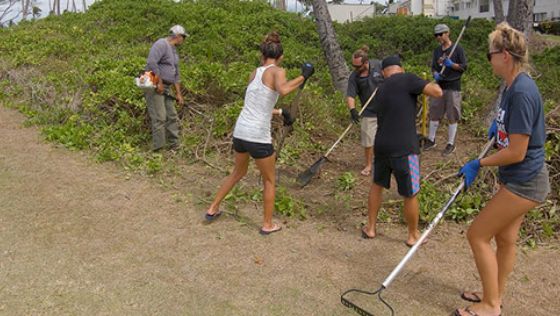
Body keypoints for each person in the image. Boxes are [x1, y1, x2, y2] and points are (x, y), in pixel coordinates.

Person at [454, 23, 550, 316]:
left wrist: (479, 163)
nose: (489, 59)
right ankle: (494, 293)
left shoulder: (521, 91)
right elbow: (512, 135)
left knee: (477, 235)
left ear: (505, 55)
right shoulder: (511, 86)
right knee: (505, 239)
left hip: (526, 181)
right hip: (518, 179)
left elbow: (518, 152)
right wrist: (499, 130)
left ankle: (491, 306)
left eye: (490, 54)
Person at [204, 32, 314, 235]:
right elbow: (283, 91)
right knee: (270, 180)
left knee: (238, 172)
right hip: (257, 135)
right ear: (280, 56)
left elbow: (256, 105)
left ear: (263, 54)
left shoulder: (254, 73)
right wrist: (304, 76)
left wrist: (281, 112)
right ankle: (267, 224)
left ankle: (212, 208)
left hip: (241, 131)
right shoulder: (277, 71)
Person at [361, 55, 442, 246]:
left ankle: (371, 227)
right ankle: (413, 235)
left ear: (383, 72)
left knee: (377, 185)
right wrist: (434, 80)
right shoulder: (408, 79)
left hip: (381, 145)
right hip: (405, 148)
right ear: (401, 69)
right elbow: (436, 92)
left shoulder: (380, 89)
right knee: (410, 192)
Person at [424, 23, 468, 156]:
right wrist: (435, 75)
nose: (438, 37)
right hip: (439, 86)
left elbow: (463, 67)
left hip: (453, 86)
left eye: (440, 34)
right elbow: (433, 67)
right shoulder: (437, 51)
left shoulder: (457, 49)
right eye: (436, 35)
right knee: (434, 112)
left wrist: (452, 65)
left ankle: (450, 143)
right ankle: (431, 140)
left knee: (452, 114)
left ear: (447, 33)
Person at [144, 25, 187, 151]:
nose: (183, 40)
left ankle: (174, 145)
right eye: (183, 37)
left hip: (167, 88)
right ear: (178, 36)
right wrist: (159, 83)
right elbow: (151, 62)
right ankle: (158, 150)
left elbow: (176, 74)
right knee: (159, 117)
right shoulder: (161, 44)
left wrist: (178, 94)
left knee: (172, 115)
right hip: (155, 85)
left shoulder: (174, 51)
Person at [346, 45, 384, 176]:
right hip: (368, 111)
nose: (355, 69)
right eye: (353, 66)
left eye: (358, 66)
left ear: (366, 62)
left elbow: (393, 73)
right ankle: (368, 164)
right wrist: (352, 110)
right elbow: (350, 95)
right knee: (368, 140)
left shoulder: (379, 65)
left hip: (386, 109)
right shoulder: (354, 76)